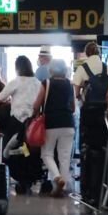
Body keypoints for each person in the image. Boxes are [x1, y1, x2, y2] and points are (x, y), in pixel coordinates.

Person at [33, 59, 76, 197]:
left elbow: (37, 104)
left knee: (47, 153)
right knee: (64, 157)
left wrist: (35, 114)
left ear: (51, 70)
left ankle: (57, 177)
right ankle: (60, 189)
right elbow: (73, 107)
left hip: (51, 123)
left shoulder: (47, 83)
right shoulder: (70, 84)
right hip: (68, 123)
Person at [0, 55, 41, 140]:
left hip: (17, 120)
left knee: (11, 145)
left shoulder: (16, 81)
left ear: (17, 68)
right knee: (28, 145)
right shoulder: (38, 82)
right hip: (32, 119)